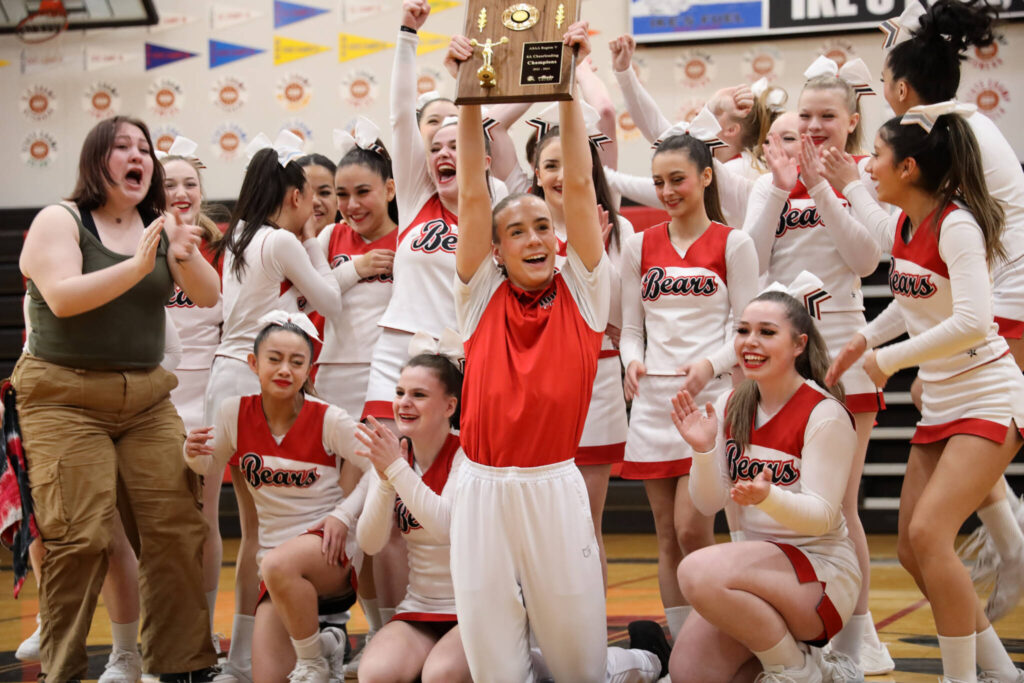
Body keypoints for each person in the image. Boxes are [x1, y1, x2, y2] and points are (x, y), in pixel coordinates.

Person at [448, 23, 672, 681]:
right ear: (496, 250)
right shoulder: (479, 295)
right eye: (516, 230)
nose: (534, 235)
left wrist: (572, 87)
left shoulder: (584, 286)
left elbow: (578, 184)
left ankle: (639, 660)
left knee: (581, 673)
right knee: (498, 672)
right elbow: (469, 193)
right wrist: (467, 97)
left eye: (542, 225)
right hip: (481, 490)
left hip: (554, 487)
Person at [13, 115, 220, 682]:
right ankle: (62, 670)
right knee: (81, 538)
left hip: (146, 398)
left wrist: (185, 248)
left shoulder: (158, 222)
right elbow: (62, 299)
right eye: (123, 147)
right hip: (63, 398)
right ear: (95, 161)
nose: (139, 156)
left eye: (144, 148)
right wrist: (137, 265)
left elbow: (207, 296)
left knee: (177, 525)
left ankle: (180, 665)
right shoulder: (60, 220)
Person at [826, 107, 1024, 683]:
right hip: (940, 401)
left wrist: (886, 359)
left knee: (928, 535)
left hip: (987, 395)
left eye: (877, 159)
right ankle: (1001, 673)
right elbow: (912, 300)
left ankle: (959, 678)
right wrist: (865, 336)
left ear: (908, 168)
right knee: (915, 550)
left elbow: (971, 321)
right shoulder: (908, 224)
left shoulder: (957, 224)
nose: (869, 169)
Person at [867, 0, 1024, 623]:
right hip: (984, 295)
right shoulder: (950, 123)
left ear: (903, 89)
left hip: (1000, 302)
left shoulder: (939, 136)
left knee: (977, 430)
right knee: (960, 428)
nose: (881, 93)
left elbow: (921, 238)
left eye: (883, 84)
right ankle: (1011, 544)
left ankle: (1011, 547)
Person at [743, 55, 888, 677]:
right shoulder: (769, 176)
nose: (815, 125)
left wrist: (826, 185)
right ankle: (790, 624)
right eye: (805, 115)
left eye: (827, 115)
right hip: (782, 364)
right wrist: (780, 185)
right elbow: (747, 259)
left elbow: (865, 260)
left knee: (842, 505)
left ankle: (859, 635)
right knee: (782, 500)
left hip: (844, 358)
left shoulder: (864, 179)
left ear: (851, 121)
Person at [207, 131, 348, 683]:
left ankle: (239, 657)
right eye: (306, 197)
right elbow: (331, 301)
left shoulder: (236, 235)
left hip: (227, 381)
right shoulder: (282, 241)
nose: (310, 205)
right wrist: (316, 240)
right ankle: (292, 645)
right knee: (258, 535)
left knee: (242, 534)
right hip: (257, 386)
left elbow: (269, 304)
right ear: (291, 195)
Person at [670, 287, 861, 683]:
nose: (750, 342)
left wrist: (769, 497)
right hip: (759, 573)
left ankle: (795, 671)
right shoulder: (730, 404)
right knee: (690, 674)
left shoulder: (825, 413)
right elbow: (707, 505)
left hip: (821, 577)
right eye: (742, 330)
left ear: (798, 345)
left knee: (696, 572)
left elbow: (823, 519)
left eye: (767, 332)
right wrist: (704, 451)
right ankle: (822, 672)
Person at [619, 128, 759, 641]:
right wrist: (631, 362)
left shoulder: (734, 242)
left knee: (691, 527)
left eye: (677, 179)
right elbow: (632, 329)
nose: (667, 191)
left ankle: (718, 636)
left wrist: (710, 365)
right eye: (658, 182)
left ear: (705, 177)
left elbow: (746, 331)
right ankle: (683, 648)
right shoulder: (639, 246)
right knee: (664, 535)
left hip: (710, 403)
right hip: (655, 405)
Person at [184, 314, 370, 683]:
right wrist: (191, 454)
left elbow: (381, 468)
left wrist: (344, 515)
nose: (284, 369)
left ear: (308, 369)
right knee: (268, 677)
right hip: (274, 570)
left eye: (296, 362)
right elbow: (207, 465)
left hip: (330, 555)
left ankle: (313, 662)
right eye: (274, 359)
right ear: (253, 364)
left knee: (276, 564)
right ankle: (327, 646)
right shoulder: (233, 414)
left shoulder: (330, 419)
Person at [355, 347, 471, 683]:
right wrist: (384, 478)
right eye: (400, 393)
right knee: (376, 674)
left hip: (476, 609)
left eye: (418, 395)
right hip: (421, 606)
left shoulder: (469, 456)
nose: (404, 402)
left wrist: (394, 469)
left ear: (450, 406)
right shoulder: (398, 457)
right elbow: (370, 542)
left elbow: (445, 527)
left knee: (441, 676)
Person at [161, 138, 227, 654]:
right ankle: (156, 630)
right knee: (147, 520)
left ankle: (203, 630)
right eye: (169, 184)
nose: (181, 192)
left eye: (190, 183)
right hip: (149, 396)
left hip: (207, 393)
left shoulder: (225, 248)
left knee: (203, 515)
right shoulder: (133, 245)